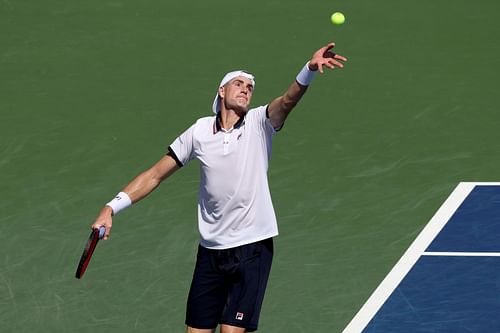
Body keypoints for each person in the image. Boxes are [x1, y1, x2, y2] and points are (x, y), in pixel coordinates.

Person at [91, 42, 347, 333]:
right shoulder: (199, 131)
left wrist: (308, 70)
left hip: (252, 247)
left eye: (250, 87)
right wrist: (111, 207)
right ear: (221, 91)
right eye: (239, 84)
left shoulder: (259, 123)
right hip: (211, 251)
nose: (246, 89)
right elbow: (154, 175)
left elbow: (287, 101)